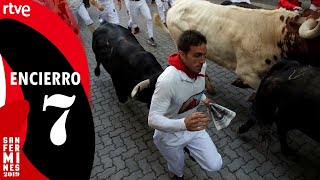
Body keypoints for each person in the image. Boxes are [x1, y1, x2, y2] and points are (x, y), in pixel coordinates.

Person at [148, 30, 222, 179]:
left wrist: (203, 98)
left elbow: (194, 88)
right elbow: (153, 119)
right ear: (182, 54)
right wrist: (183, 124)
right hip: (169, 136)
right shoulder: (168, 81)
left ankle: (190, 149)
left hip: (193, 126)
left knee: (215, 164)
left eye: (204, 54)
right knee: (178, 168)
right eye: (197, 55)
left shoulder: (201, 66)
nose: (203, 61)